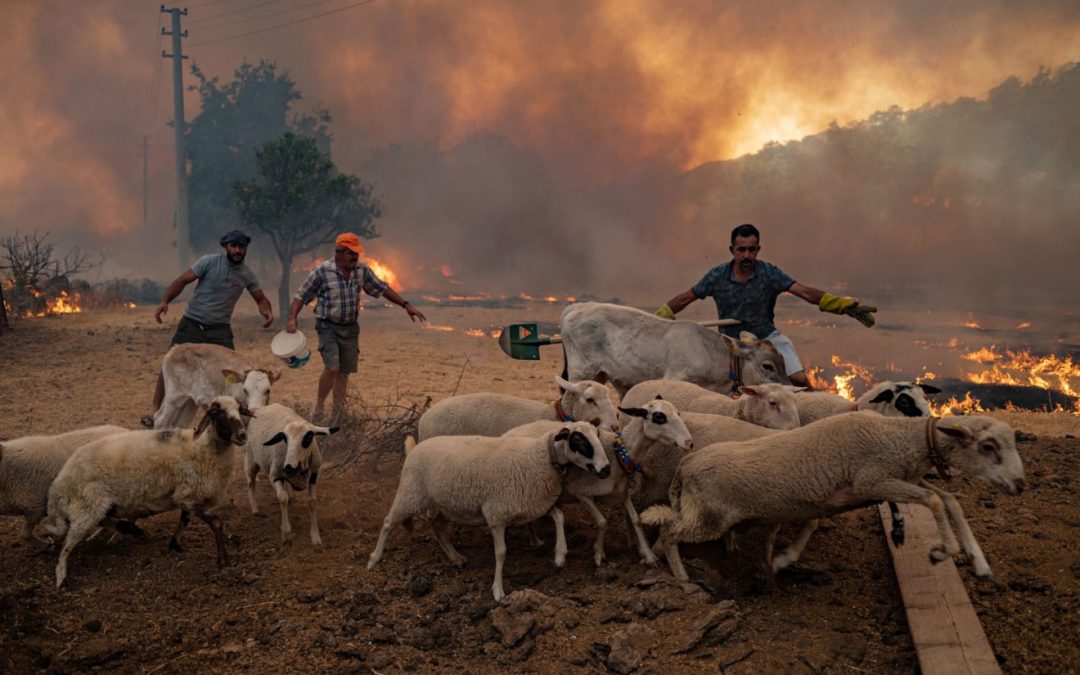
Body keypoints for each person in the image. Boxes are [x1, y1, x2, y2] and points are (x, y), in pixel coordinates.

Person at [655, 223, 876, 388]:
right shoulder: (717, 276)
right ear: (732, 250)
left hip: (767, 339)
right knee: (721, 388)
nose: (746, 255)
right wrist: (659, 318)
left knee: (798, 380)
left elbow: (804, 292)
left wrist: (842, 306)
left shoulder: (769, 273)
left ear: (758, 249)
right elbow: (686, 298)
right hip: (732, 346)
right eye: (741, 250)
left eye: (751, 250)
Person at [286, 232, 426, 423]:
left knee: (344, 373)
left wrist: (406, 305)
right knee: (332, 368)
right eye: (350, 253)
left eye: (356, 253)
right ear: (338, 253)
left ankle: (337, 416)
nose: (355, 257)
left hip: (350, 328)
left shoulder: (362, 270)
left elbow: (381, 288)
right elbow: (301, 295)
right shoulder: (322, 271)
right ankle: (319, 406)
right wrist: (292, 317)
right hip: (327, 326)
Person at [142, 229, 274, 425]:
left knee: (231, 371)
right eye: (233, 246)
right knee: (172, 361)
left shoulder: (247, 274)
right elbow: (182, 281)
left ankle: (227, 416)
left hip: (219, 328)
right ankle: (154, 408)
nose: (237, 250)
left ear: (246, 248)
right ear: (226, 247)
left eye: (241, 247)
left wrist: (267, 312)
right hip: (193, 323)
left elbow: (260, 298)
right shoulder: (208, 262)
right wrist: (165, 301)